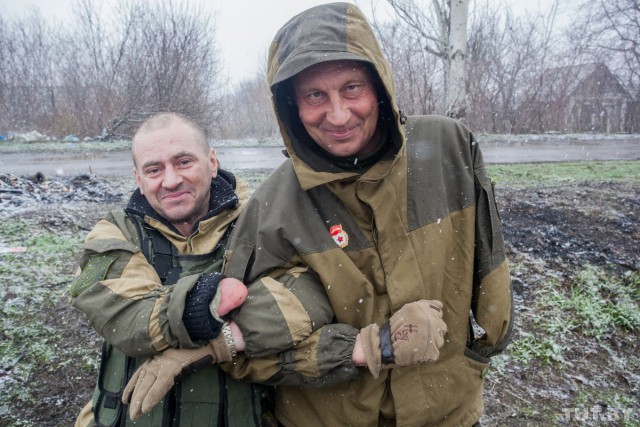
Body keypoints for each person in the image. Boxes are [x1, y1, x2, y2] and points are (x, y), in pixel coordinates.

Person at [124, 2, 514, 425]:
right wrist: (371, 346)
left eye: (352, 87)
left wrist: (482, 348)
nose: (339, 114)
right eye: (315, 95)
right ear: (290, 105)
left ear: (379, 85)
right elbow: (247, 356)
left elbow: (489, 271)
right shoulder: (273, 207)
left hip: (447, 411)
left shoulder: (447, 148)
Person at [69, 112, 274, 426]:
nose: (171, 180)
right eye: (154, 169)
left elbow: (295, 301)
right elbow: (123, 314)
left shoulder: (261, 226)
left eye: (183, 162)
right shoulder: (112, 233)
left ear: (212, 161)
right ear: (138, 178)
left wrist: (212, 347)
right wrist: (200, 307)